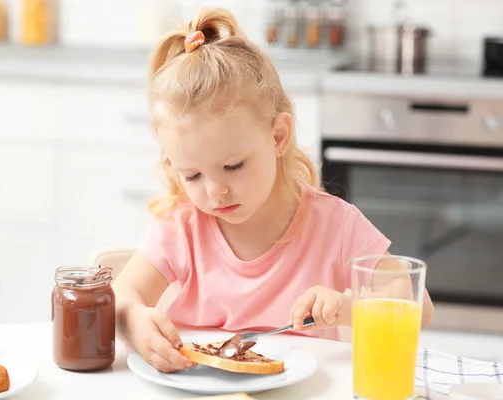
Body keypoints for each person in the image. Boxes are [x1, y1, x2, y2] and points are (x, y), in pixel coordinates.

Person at [112, 7, 434, 373]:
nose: (215, 191)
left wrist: (351, 308)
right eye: (192, 175)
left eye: (233, 166)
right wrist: (134, 321)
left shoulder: (335, 226)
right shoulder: (183, 226)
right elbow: (123, 296)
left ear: (278, 136)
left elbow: (417, 303)